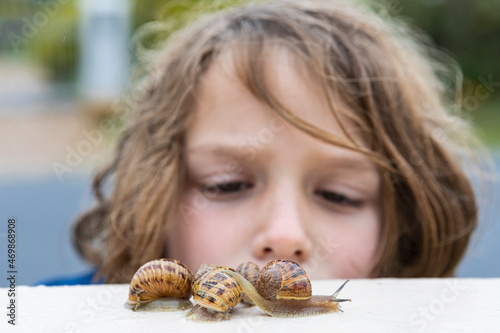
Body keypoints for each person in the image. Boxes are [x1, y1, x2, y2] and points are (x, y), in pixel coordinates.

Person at [71, 0, 482, 284]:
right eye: (225, 185)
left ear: (406, 225)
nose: (285, 238)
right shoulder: (46, 311)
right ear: (154, 197)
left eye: (339, 195)